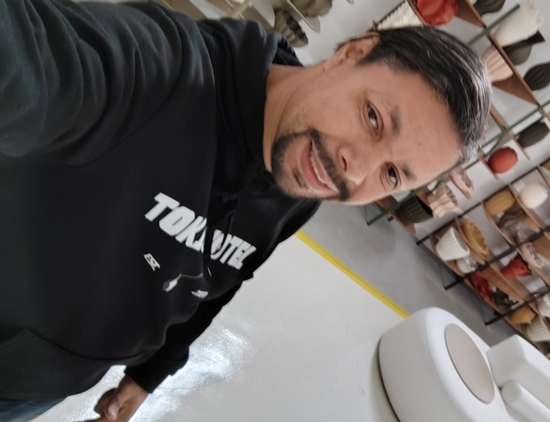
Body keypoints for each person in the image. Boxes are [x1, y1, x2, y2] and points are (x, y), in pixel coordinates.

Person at [0, 0, 491, 420]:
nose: (355, 170)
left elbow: (214, 278)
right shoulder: (161, 69)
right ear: (351, 55)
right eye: (373, 118)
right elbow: (32, 61)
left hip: (40, 388)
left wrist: (151, 373)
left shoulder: (302, 182)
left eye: (392, 174)